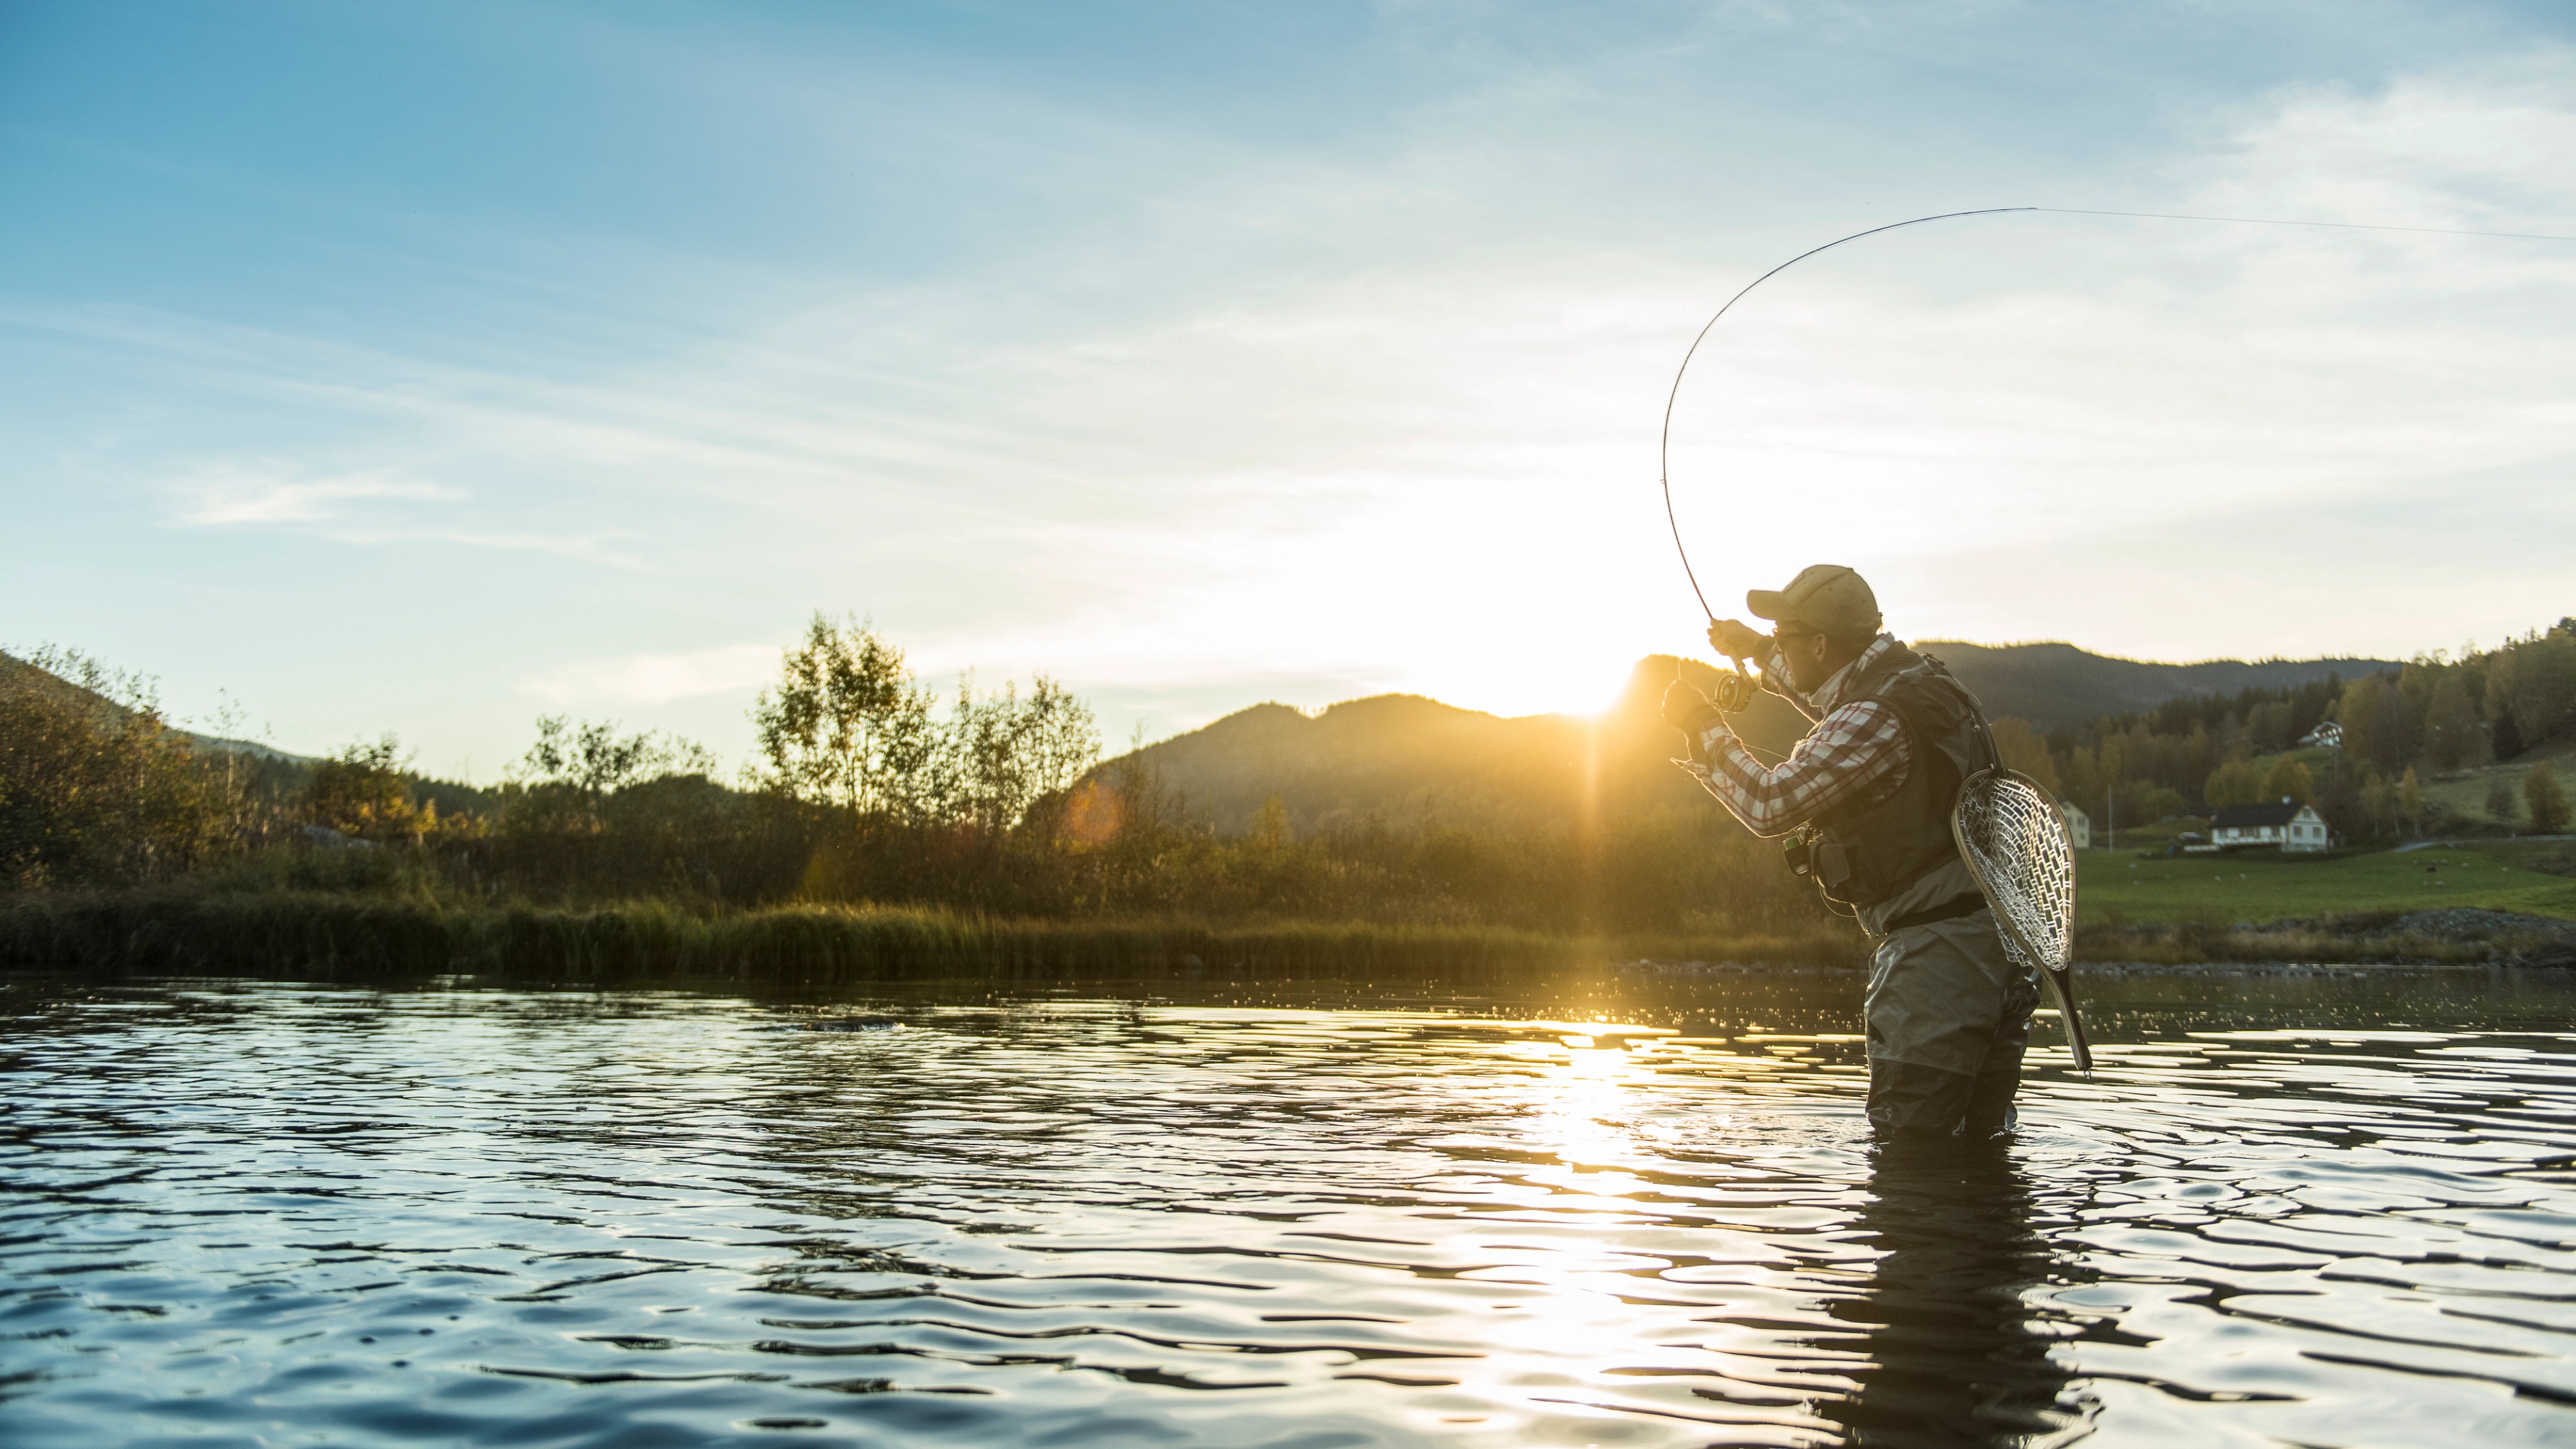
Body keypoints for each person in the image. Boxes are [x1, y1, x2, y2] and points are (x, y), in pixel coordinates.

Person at [1662, 564, 2037, 1140]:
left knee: (1910, 1152)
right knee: (1981, 1147)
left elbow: (1770, 803)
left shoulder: (1876, 715)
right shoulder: (1917, 683)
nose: (1781, 646)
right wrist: (1760, 650)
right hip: (1997, 949)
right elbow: (1836, 697)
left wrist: (1702, 727)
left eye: (1787, 636)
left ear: (1819, 643)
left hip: (1939, 962)